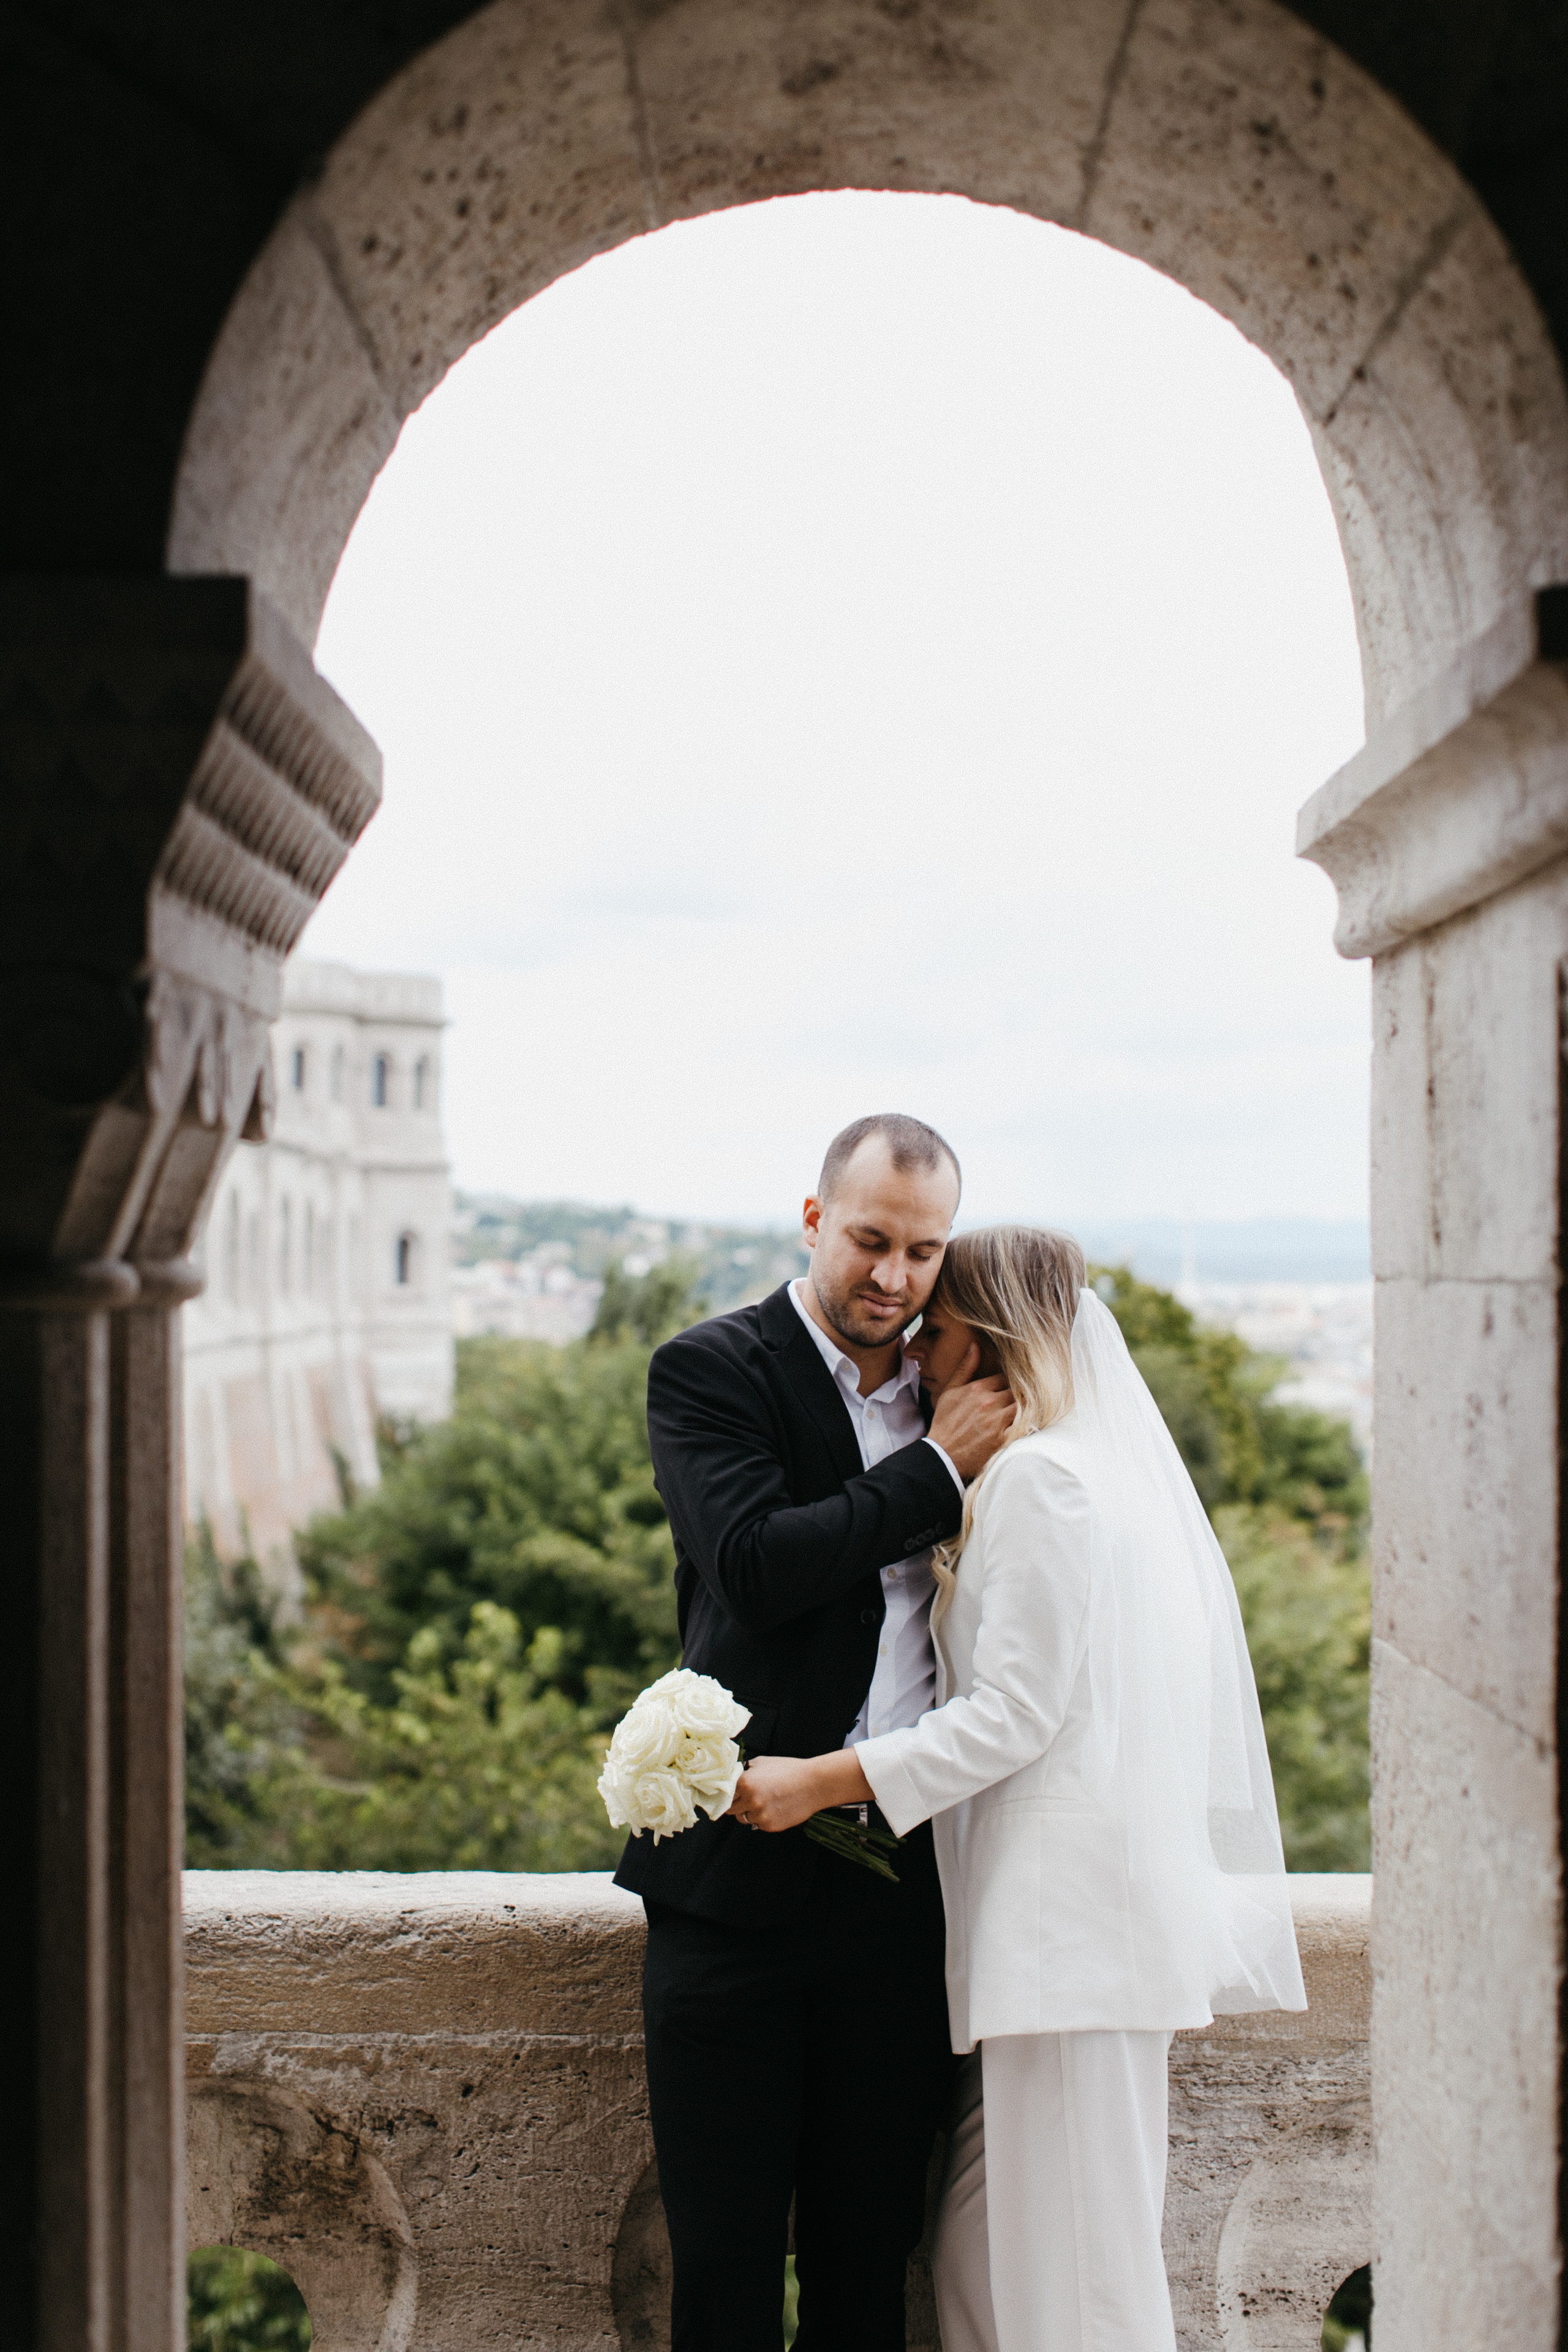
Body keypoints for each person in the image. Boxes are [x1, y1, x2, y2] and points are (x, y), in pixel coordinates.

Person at [730, 1225, 1306, 2352]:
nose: (915, 1349)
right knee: (984, 2269)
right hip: (1040, 1949)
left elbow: (1016, 1714)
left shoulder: (1047, 1482)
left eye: (937, 1328)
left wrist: (823, 1781)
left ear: (988, 1342)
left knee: (1081, 2292)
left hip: (1071, 1942)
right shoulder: (1065, 1475)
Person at [614, 1114, 1016, 2352]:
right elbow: (753, 1566)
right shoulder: (710, 1370)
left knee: (865, 2277)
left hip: (903, 1897)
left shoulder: (964, 1390)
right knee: (723, 2281)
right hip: (730, 1894)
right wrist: (932, 1474)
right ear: (812, 1220)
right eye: (869, 1240)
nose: (892, 1278)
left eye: (923, 1251)